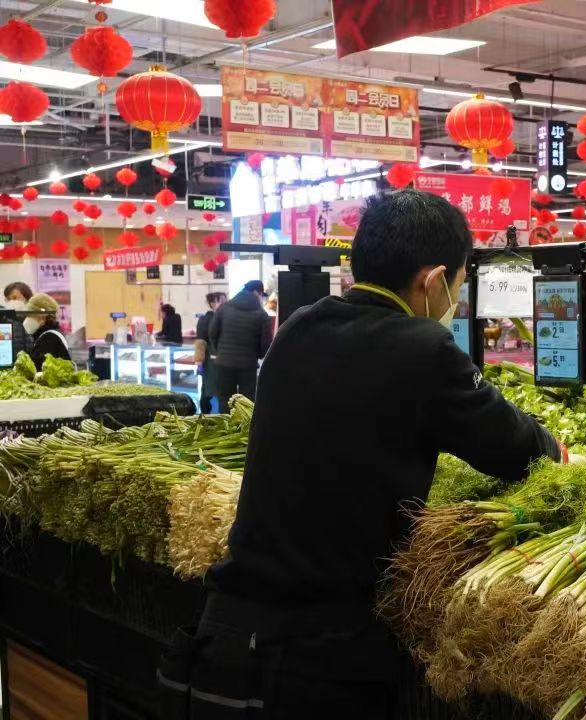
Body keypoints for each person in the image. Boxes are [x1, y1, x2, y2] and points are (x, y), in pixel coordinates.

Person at [159, 190, 561, 718]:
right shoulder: (422, 348)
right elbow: (514, 446)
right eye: (459, 287)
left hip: (227, 630)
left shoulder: (299, 327)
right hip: (314, 656)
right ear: (435, 281)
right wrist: (557, 449)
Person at [208, 280, 273, 402]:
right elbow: (266, 343)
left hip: (224, 364)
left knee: (225, 400)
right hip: (248, 366)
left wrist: (220, 351)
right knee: (246, 402)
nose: (262, 299)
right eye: (261, 295)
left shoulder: (224, 308)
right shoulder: (262, 315)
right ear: (256, 292)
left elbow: (212, 332)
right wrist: (257, 355)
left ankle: (226, 415)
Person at [194, 292, 226, 414]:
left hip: (223, 360)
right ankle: (205, 415)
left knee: (218, 389)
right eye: (221, 301)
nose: (224, 304)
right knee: (207, 390)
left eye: (225, 301)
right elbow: (200, 342)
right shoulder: (206, 319)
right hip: (210, 362)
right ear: (212, 304)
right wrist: (199, 361)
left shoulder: (226, 318)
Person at [23, 293, 70, 370]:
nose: (27, 319)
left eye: (30, 315)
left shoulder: (49, 339)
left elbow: (38, 369)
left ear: (42, 316)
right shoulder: (51, 335)